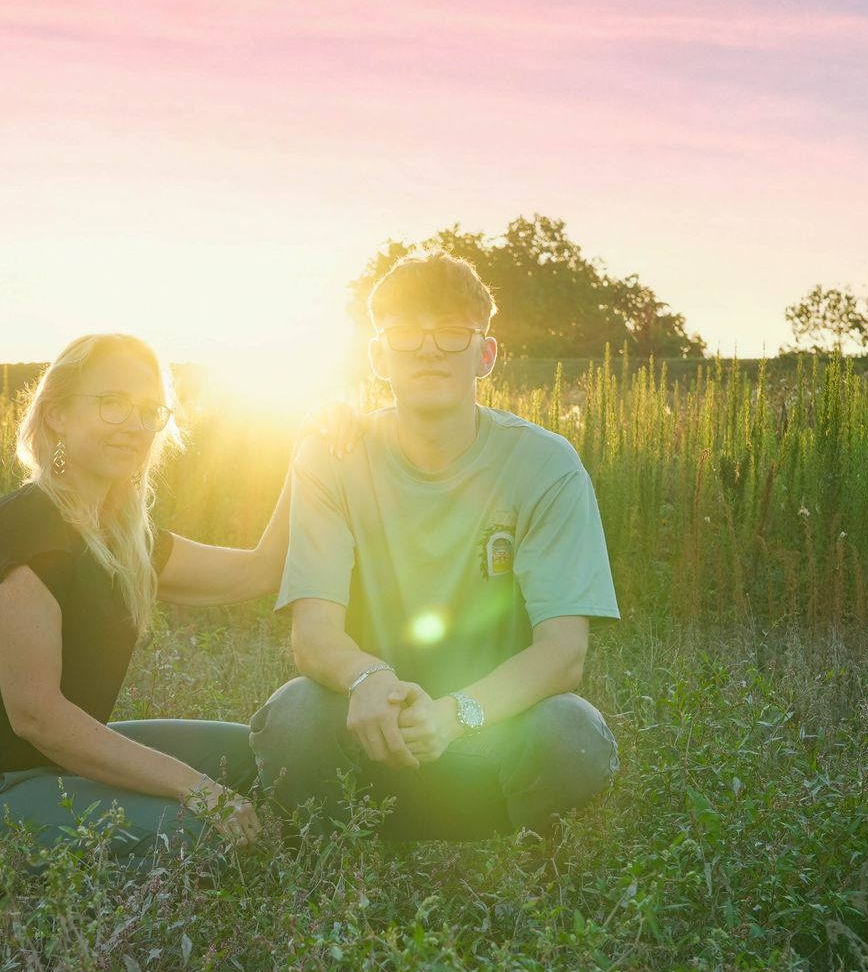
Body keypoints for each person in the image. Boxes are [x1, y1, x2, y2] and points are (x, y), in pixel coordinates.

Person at [0, 332, 354, 887]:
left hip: (49, 771)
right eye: (112, 404)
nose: (135, 425)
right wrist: (199, 789)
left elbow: (259, 570)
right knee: (203, 830)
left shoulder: (119, 536)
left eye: (149, 411)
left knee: (266, 754)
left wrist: (306, 453)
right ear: (58, 414)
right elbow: (37, 715)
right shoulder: (25, 526)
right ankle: (52, 922)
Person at [249, 251, 621, 842]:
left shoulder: (547, 465)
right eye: (404, 333)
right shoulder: (332, 457)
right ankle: (347, 850)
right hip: (371, 720)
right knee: (293, 718)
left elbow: (563, 653)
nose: (428, 349)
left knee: (571, 735)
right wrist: (368, 678)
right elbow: (313, 634)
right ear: (378, 356)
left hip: (490, 725)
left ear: (486, 354)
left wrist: (454, 716)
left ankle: (492, 845)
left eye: (452, 334)